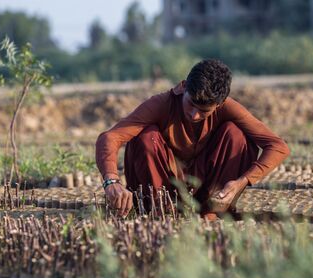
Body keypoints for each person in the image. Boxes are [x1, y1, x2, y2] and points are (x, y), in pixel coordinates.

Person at [96, 59, 290, 219]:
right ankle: (161, 213)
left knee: (236, 134)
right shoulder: (161, 104)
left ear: (220, 104)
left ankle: (212, 213)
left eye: (204, 111)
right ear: (183, 87)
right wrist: (111, 181)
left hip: (207, 192)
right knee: (146, 137)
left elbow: (278, 146)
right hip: (162, 189)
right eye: (190, 104)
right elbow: (110, 137)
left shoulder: (228, 108)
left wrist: (242, 181)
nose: (194, 115)